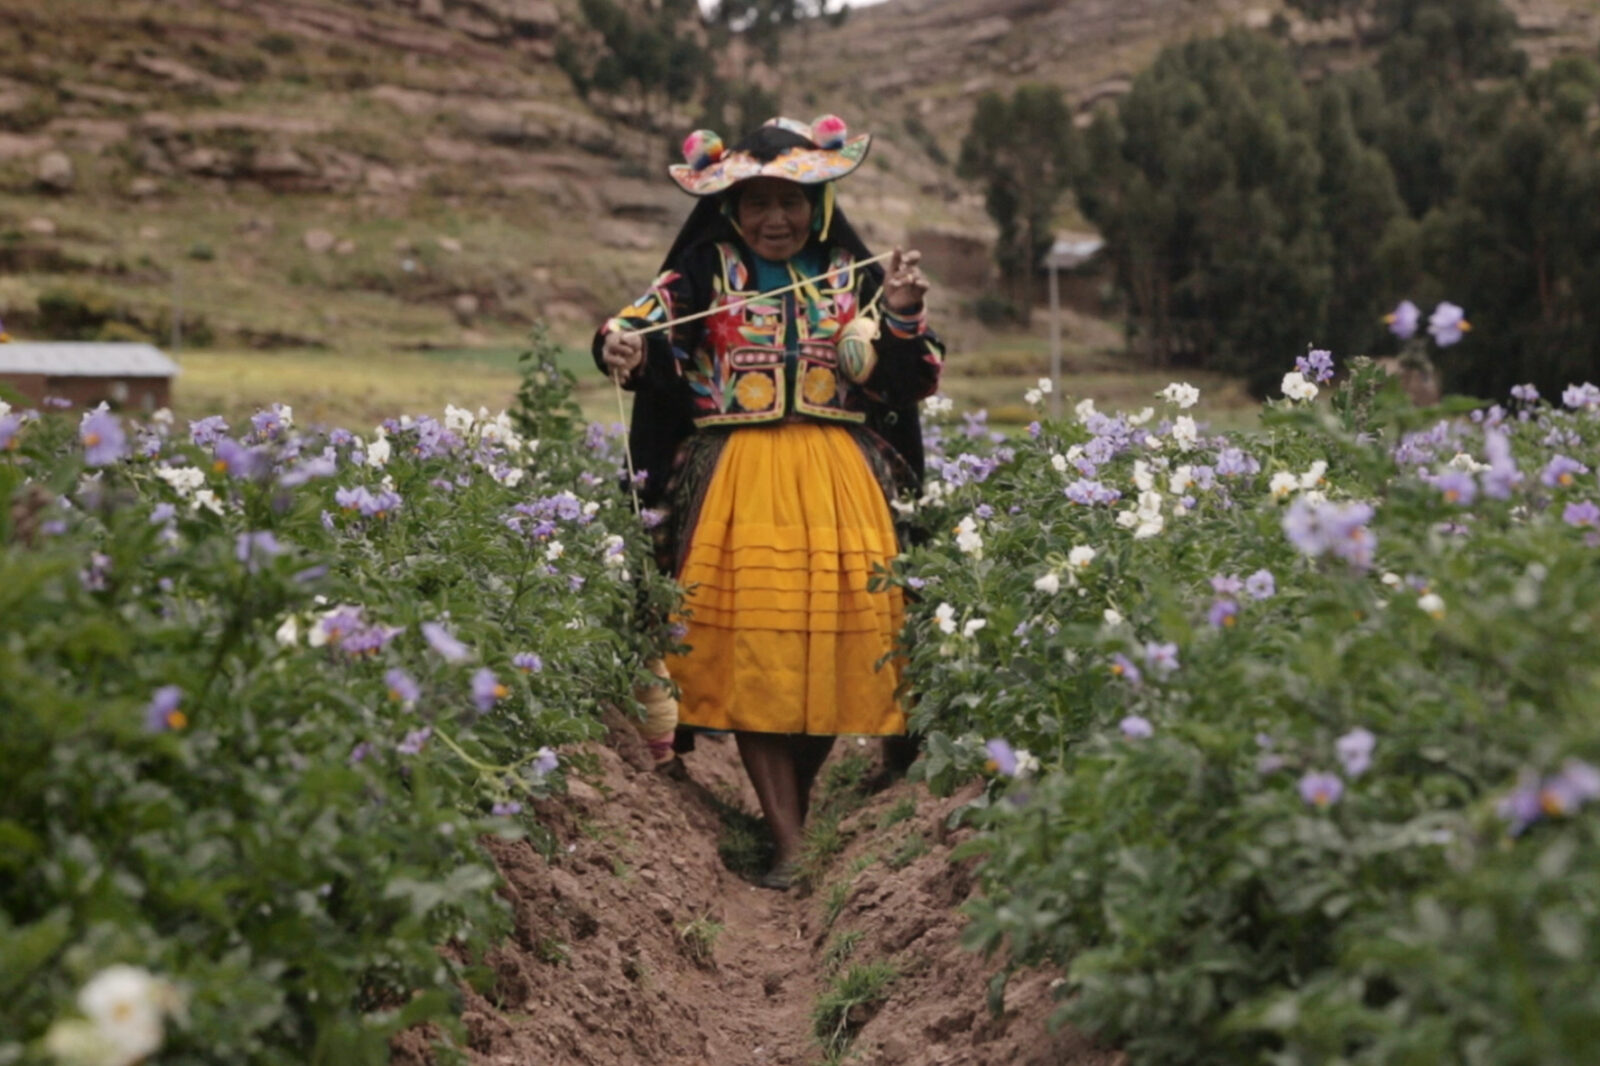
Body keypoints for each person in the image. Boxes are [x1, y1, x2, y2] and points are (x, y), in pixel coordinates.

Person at [593, 115, 943, 888]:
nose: (774, 219)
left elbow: (912, 377)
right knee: (756, 645)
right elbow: (634, 328)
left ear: (819, 203)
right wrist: (618, 345)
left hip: (839, 478)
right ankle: (788, 844)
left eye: (791, 201)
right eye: (757, 203)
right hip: (737, 480)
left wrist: (907, 314)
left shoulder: (858, 276)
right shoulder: (703, 274)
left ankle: (796, 804)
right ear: (732, 208)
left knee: (839, 644)